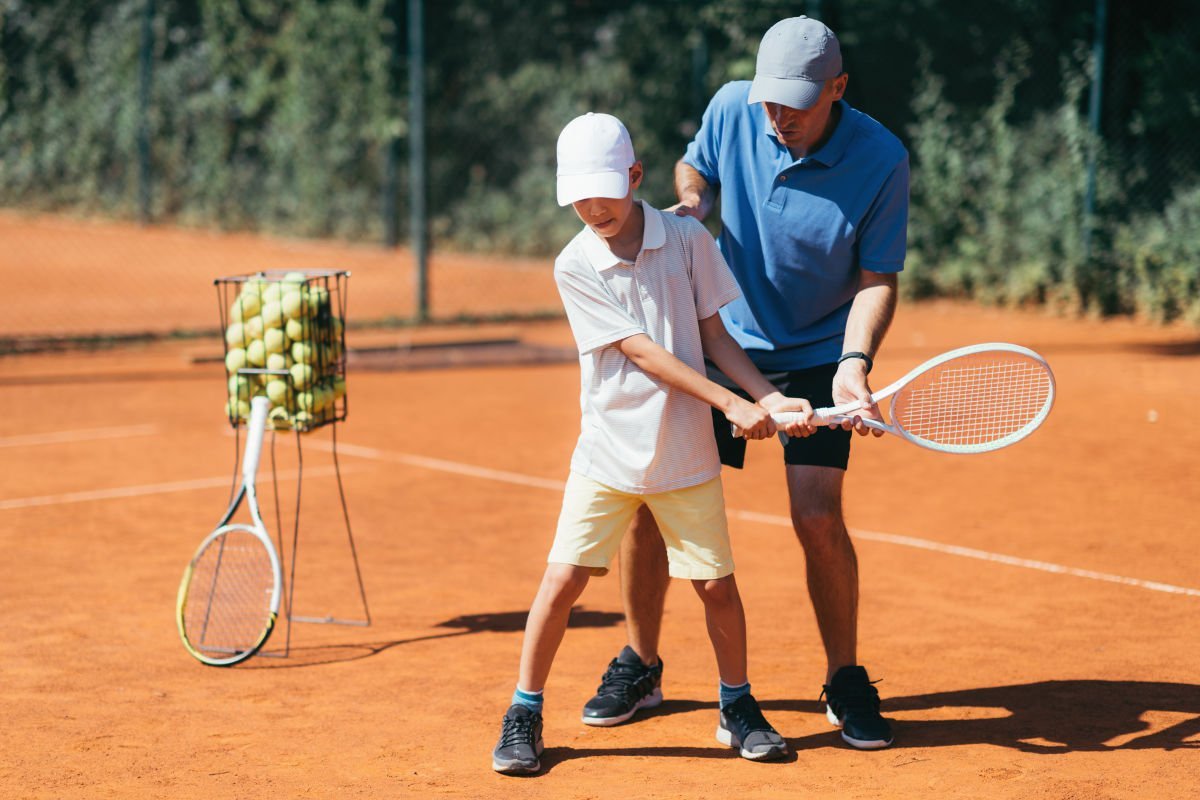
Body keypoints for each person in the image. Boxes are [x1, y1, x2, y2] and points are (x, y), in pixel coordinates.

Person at [580, 16, 909, 751]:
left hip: (823, 348)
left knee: (817, 515)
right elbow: (696, 168)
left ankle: (844, 676)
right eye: (769, 100)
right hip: (721, 339)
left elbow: (877, 279)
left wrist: (855, 363)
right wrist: (695, 206)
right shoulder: (735, 105)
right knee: (648, 499)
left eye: (795, 101)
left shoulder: (882, 158)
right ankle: (642, 659)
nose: (777, 115)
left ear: (839, 89)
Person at [491, 112, 817, 775]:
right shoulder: (574, 263)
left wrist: (768, 398)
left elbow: (715, 337)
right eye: (577, 196)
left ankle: (737, 706)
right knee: (564, 581)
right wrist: (730, 403)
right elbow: (645, 353)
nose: (591, 207)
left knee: (717, 587)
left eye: (604, 191)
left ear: (635, 177)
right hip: (607, 453)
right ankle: (524, 711)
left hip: (686, 454)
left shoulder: (688, 239)